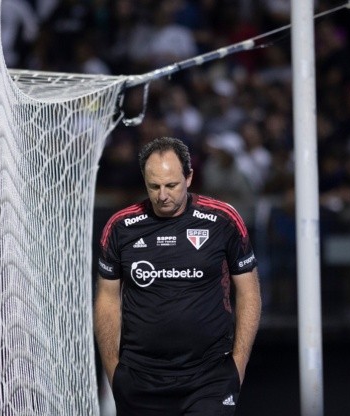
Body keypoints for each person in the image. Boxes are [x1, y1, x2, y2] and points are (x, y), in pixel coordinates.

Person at [94, 136, 261, 415]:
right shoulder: (120, 227)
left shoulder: (224, 220)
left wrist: (238, 366)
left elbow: (249, 292)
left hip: (209, 380)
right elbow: (107, 301)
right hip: (140, 381)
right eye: (154, 186)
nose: (162, 195)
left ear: (189, 177)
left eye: (171, 185)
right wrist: (115, 373)